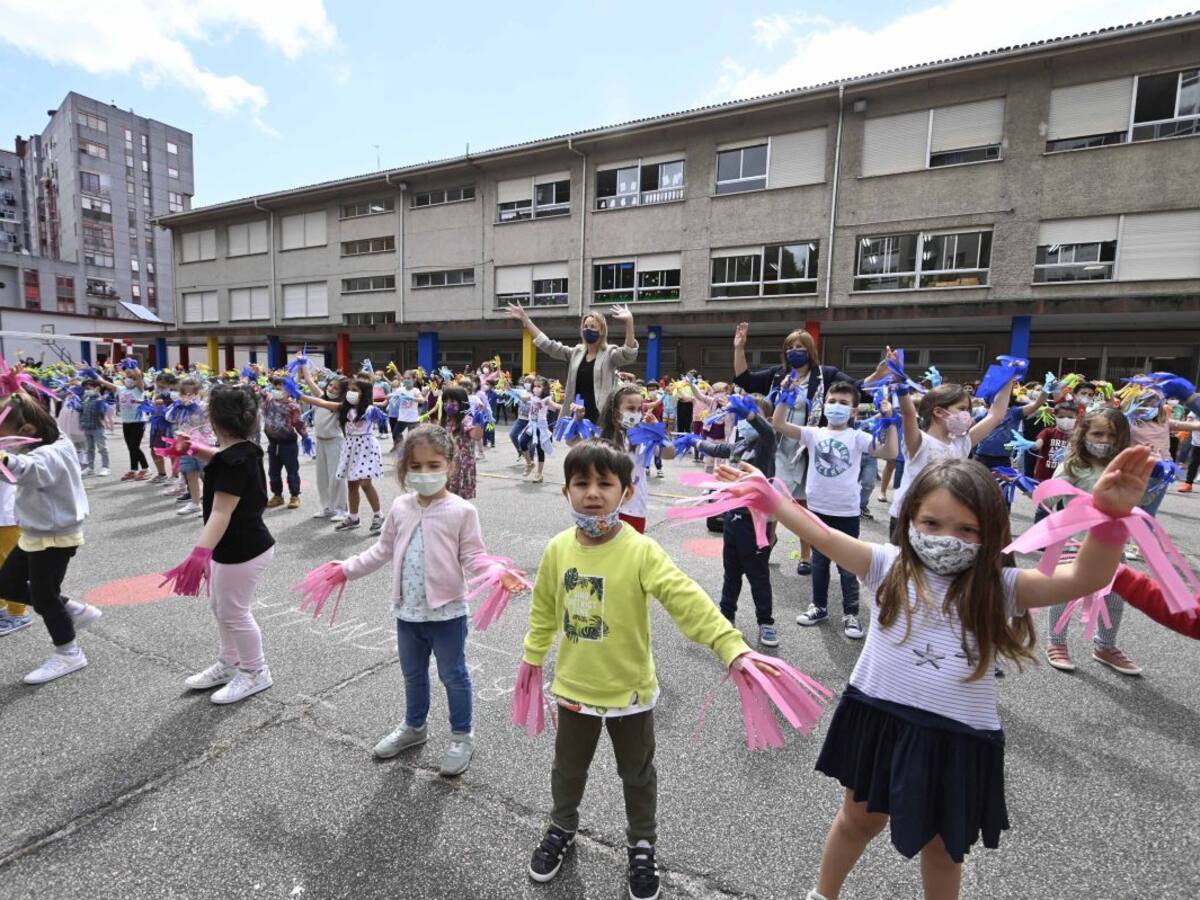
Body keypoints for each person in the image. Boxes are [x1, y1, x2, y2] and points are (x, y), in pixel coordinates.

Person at [719, 444, 1153, 900]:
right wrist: (773, 501)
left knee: (944, 848)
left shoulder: (999, 586)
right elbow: (823, 536)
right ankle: (822, 895)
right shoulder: (886, 566)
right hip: (879, 717)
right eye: (932, 524)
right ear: (909, 521)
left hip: (956, 735)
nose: (949, 539)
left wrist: (1108, 516)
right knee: (856, 821)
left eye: (968, 529)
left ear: (992, 534)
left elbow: (1082, 579)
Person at [522, 441, 771, 900]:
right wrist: (532, 657)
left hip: (630, 693)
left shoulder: (640, 550)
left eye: (604, 483)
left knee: (637, 774)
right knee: (568, 768)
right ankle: (562, 826)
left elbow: (685, 597)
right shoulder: (558, 549)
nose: (592, 493)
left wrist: (730, 646)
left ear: (626, 491)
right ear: (566, 493)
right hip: (574, 687)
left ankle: (641, 844)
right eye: (582, 483)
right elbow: (543, 609)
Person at [333, 424, 520, 776]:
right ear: (405, 469)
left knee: (454, 674)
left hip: (448, 613)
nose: (424, 473)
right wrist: (346, 569)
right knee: (412, 674)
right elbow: (382, 550)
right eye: (415, 467)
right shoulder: (401, 507)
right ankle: (414, 727)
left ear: (450, 464)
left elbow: (473, 557)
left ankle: (462, 736)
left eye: (434, 465)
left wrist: (497, 573)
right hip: (408, 613)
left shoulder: (463, 511)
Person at [171, 385, 276, 704]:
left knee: (234, 612)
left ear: (214, 420)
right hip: (234, 547)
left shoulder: (234, 461)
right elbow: (223, 456)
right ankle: (230, 662)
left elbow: (220, 512)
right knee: (221, 607)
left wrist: (198, 555)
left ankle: (256, 671)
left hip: (241, 550)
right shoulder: (246, 450)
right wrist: (195, 449)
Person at [731, 322, 862, 576]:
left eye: (800, 347)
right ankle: (766, 543)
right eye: (790, 347)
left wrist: (880, 377)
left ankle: (806, 556)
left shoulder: (826, 374)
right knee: (772, 499)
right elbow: (744, 380)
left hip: (807, 448)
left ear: (810, 351)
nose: (794, 351)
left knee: (802, 504)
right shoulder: (777, 376)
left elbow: (855, 388)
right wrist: (739, 348)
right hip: (776, 447)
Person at [777, 383, 898, 639]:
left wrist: (890, 421)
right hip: (818, 509)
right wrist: (784, 398)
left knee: (847, 566)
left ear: (854, 412)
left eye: (844, 403)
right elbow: (780, 425)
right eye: (832, 401)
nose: (836, 406)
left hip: (846, 512)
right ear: (824, 405)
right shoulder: (813, 433)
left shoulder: (857, 437)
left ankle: (851, 613)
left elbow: (891, 452)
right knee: (819, 562)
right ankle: (819, 607)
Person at [0, 390, 98, 684]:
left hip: (56, 537)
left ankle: (69, 652)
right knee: (7, 583)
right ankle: (71, 607)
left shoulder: (49, 454)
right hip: (36, 532)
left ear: (27, 431)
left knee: (44, 598)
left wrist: (4, 455)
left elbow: (26, 470)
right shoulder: (53, 438)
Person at [1041, 407, 1144, 675]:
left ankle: (1105, 645)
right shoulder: (1073, 465)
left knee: (1114, 597)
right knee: (1065, 593)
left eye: (1112, 435)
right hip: (1074, 544)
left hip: (1112, 546)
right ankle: (1057, 641)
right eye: (1098, 433)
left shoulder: (1122, 467)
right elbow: (1048, 499)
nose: (1105, 441)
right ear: (1082, 433)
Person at [889, 376, 1016, 540]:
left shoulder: (961, 443)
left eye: (968, 411)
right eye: (962, 408)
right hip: (909, 520)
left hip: (943, 522)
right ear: (938, 412)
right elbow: (908, 414)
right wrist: (900, 385)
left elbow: (996, 415)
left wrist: (1008, 380)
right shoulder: (920, 441)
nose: (967, 415)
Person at [699, 395, 778, 645]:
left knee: (758, 576)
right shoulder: (740, 445)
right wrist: (695, 442)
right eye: (742, 415)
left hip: (755, 523)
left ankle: (765, 622)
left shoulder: (765, 445)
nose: (745, 419)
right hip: (732, 519)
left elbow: (767, 432)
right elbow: (718, 449)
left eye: (752, 414)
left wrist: (750, 415)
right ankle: (726, 615)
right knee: (730, 573)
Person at [507, 304, 638, 422]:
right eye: (586, 327)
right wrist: (526, 320)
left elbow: (629, 354)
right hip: (577, 413)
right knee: (576, 447)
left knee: (598, 449)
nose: (588, 330)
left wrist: (629, 322)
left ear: (602, 330)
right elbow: (549, 345)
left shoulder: (610, 353)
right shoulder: (576, 352)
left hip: (601, 415)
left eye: (593, 327)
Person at [300, 369, 385, 534]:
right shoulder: (343, 408)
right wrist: (298, 394)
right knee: (352, 484)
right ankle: (353, 517)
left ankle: (378, 516)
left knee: (366, 484)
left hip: (366, 447)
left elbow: (381, 405)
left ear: (364, 393)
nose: (351, 393)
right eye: (350, 390)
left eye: (355, 390)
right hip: (350, 447)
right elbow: (322, 403)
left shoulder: (369, 410)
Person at [261, 376, 308, 510]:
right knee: (273, 472)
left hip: (288, 444)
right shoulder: (269, 401)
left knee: (292, 471)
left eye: (279, 389)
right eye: (274, 388)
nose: (276, 391)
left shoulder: (293, 406)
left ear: (289, 391)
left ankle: (294, 495)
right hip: (273, 443)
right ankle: (277, 495)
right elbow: (258, 392)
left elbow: (298, 423)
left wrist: (305, 436)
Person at [166, 376, 210, 517]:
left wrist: (194, 407)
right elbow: (169, 418)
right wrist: (176, 406)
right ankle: (195, 503)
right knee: (190, 474)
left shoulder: (204, 406)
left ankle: (208, 505)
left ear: (198, 393)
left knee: (206, 475)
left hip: (202, 444)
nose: (187, 396)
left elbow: (207, 421)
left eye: (191, 393)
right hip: (184, 443)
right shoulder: (178, 406)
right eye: (184, 393)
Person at [309, 374, 350, 521]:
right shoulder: (322, 395)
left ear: (342, 392)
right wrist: (303, 365)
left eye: (336, 388)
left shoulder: (341, 404)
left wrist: (299, 395)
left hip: (335, 442)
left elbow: (316, 401)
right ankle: (327, 507)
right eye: (330, 385)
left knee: (336, 477)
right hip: (320, 442)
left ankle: (341, 509)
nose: (331, 388)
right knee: (322, 477)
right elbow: (309, 381)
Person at [438, 385, 483, 499]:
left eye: (452, 401)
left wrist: (479, 423)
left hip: (462, 465)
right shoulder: (445, 421)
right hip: (447, 464)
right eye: (445, 401)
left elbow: (476, 436)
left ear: (462, 403)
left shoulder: (466, 420)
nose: (448, 404)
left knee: (458, 498)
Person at [0, 480, 30, 635]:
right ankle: (2, 606)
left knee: (10, 567)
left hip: (6, 518)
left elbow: (12, 476)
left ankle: (17, 612)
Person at [110, 368, 151, 480]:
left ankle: (146, 469)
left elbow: (138, 375)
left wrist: (133, 367)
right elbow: (105, 383)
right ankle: (133, 470)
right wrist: (92, 373)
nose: (129, 379)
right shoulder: (121, 389)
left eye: (132, 378)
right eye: (128, 377)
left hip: (138, 422)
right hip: (126, 422)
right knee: (131, 447)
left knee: (134, 446)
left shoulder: (139, 390)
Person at [521, 378, 559, 484]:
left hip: (541, 427)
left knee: (540, 449)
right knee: (522, 442)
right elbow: (521, 397)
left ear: (545, 388)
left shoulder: (546, 399)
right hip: (531, 425)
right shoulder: (531, 396)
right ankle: (529, 463)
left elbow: (556, 406)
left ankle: (539, 473)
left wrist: (569, 406)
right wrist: (509, 389)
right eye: (535, 386)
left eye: (539, 386)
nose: (536, 388)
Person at [1031, 399, 1079, 482]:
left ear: (1076, 418)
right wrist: (1032, 445)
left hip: (1065, 477)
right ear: (1055, 416)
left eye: (1070, 417)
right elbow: (1038, 445)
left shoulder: (1077, 436)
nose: (1066, 420)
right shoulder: (1048, 432)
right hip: (1044, 476)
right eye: (1061, 417)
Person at [78, 376, 112, 477]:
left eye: (88, 388)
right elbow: (82, 411)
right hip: (86, 426)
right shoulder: (85, 398)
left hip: (97, 427)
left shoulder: (100, 399)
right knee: (89, 448)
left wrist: (102, 405)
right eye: (85, 389)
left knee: (102, 448)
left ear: (96, 388)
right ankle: (90, 467)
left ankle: (105, 467)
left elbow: (102, 414)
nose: (86, 391)